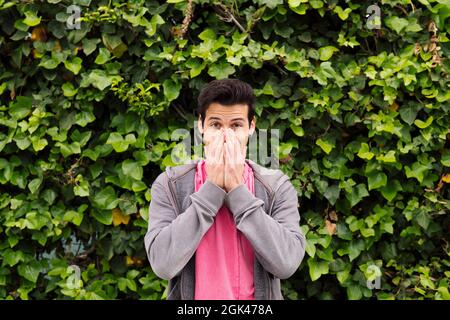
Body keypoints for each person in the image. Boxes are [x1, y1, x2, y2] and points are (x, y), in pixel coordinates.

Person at [144, 78, 306, 300]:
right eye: (216, 125)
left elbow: (286, 264)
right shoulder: (171, 185)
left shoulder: (276, 187)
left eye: (236, 125)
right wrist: (211, 189)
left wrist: (237, 190)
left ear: (251, 127)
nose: (225, 136)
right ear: (201, 126)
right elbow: (162, 264)